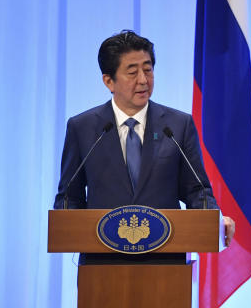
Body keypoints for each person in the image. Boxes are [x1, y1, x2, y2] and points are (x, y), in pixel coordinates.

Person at [54, 30, 235, 262]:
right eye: (132, 72)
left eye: (148, 70)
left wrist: (214, 219)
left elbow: (197, 191)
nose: (143, 80)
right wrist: (67, 223)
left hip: (166, 265)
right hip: (101, 267)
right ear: (109, 81)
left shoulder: (178, 126)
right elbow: (69, 196)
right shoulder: (83, 128)